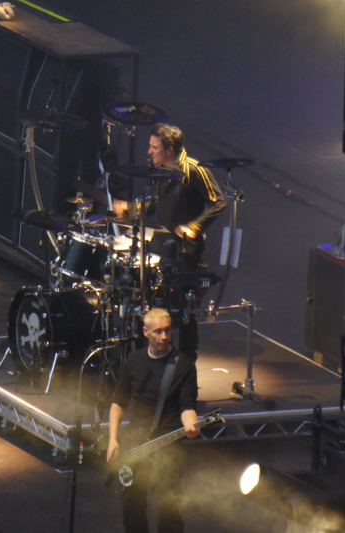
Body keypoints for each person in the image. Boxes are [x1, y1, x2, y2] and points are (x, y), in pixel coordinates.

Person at [114, 124, 226, 359]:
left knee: (183, 311)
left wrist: (194, 226)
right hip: (160, 247)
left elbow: (218, 201)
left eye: (154, 147)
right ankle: (149, 356)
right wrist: (131, 210)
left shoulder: (193, 170)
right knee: (151, 301)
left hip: (184, 253)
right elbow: (159, 205)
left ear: (170, 149)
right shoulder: (162, 173)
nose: (149, 152)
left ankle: (185, 364)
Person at [107, 308, 199, 533]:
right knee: (132, 506)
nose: (164, 336)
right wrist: (113, 439)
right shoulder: (134, 360)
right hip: (135, 443)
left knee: (169, 508)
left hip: (167, 445)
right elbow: (118, 403)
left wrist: (192, 424)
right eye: (158, 331)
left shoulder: (184, 365)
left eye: (168, 330)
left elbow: (187, 406)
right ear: (145, 332)